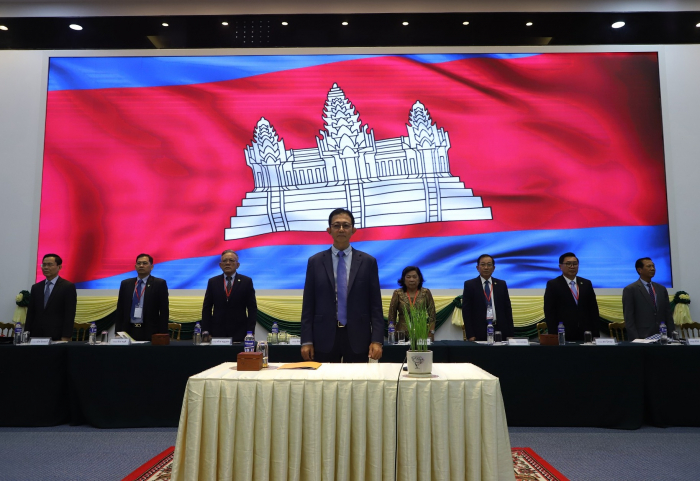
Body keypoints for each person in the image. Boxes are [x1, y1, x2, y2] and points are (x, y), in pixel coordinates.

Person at [300, 208, 384, 362]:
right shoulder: (315, 262)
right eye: (336, 225)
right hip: (323, 336)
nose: (341, 229)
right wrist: (306, 340)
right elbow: (308, 305)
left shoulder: (368, 262)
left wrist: (377, 340)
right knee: (324, 377)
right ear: (329, 230)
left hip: (358, 336)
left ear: (353, 230)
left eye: (346, 225)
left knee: (357, 377)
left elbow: (376, 306)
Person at [201, 250, 257, 341]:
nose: (227, 263)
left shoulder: (246, 281)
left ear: (237, 265)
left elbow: (252, 308)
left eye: (231, 260)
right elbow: (207, 308)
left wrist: (250, 331)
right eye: (225, 261)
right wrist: (206, 331)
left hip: (240, 332)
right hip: (217, 332)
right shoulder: (213, 282)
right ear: (220, 265)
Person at [544, 252, 600, 341]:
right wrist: (554, 335)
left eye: (575, 264)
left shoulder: (586, 283)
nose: (572, 266)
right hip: (563, 333)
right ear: (560, 266)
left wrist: (596, 334)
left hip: (585, 333)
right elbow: (549, 312)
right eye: (568, 264)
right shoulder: (553, 284)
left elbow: (593, 310)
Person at [115, 254, 170, 342]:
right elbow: (120, 309)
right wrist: (117, 331)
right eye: (139, 263)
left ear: (151, 267)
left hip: (150, 331)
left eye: (145, 263)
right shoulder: (126, 284)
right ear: (135, 266)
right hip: (128, 330)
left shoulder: (159, 283)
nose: (141, 265)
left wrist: (163, 333)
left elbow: (164, 311)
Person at [461, 254, 515, 341]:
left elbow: (507, 309)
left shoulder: (501, 284)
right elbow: (466, 311)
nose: (486, 267)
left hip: (500, 330)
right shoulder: (470, 285)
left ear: (493, 268)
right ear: (477, 267)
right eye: (483, 265)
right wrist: (470, 335)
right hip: (478, 331)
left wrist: (510, 334)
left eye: (489, 265)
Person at [25, 253, 77, 341]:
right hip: (36, 335)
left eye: (50, 265)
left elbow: (69, 314)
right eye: (44, 265)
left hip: (57, 335)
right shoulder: (36, 287)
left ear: (59, 267)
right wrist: (26, 333)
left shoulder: (67, 287)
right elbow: (31, 313)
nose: (46, 267)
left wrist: (66, 336)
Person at [622, 257, 674, 340]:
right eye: (649, 266)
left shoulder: (661, 289)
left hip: (662, 336)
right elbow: (629, 318)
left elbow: (668, 314)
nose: (652, 269)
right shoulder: (630, 289)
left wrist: (671, 336)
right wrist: (636, 339)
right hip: (642, 337)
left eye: (653, 266)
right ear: (640, 270)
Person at [388, 266, 437, 341]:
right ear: (403, 279)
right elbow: (392, 315)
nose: (411, 279)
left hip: (421, 334)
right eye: (408, 277)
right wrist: (391, 334)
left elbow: (432, 315)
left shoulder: (426, 292)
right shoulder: (397, 293)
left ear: (419, 279)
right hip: (401, 335)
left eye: (414, 277)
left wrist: (431, 332)